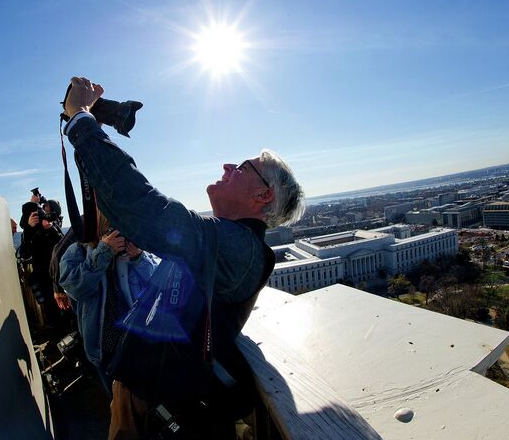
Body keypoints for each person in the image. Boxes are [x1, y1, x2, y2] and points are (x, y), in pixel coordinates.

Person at [61, 77, 305, 439]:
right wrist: (141, 254)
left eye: (241, 166)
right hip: (143, 398)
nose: (226, 166)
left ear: (262, 194)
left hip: (157, 412)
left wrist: (82, 119)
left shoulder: (239, 249)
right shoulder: (224, 242)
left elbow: (142, 206)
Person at [58, 213, 157, 395]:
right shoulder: (77, 251)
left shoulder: (130, 249)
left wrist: (139, 258)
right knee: (118, 398)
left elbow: (157, 286)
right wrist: (104, 251)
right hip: (105, 346)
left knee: (144, 396)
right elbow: (75, 288)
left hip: (136, 341)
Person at [19, 198, 65, 327]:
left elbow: (62, 244)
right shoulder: (31, 231)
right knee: (50, 308)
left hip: (57, 274)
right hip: (43, 276)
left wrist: (50, 229)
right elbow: (24, 253)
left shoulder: (52, 226)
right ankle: (57, 332)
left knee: (64, 305)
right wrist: (28, 229)